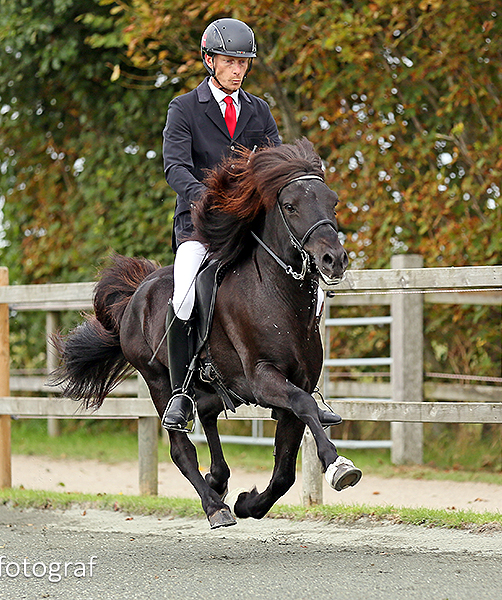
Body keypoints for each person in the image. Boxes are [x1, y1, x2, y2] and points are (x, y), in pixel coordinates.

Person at [160, 18, 282, 432]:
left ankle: (302, 383)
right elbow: (175, 168)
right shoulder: (184, 108)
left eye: (244, 63)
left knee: (294, 279)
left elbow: (274, 166)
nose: (238, 70)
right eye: (230, 61)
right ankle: (180, 394)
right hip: (199, 227)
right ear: (210, 60)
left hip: (246, 228)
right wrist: (209, 201)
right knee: (183, 297)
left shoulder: (258, 111)